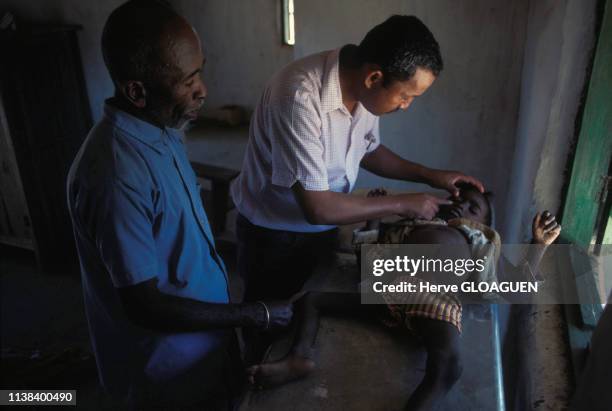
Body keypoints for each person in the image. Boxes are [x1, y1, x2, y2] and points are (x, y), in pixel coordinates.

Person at [66, 1, 293, 408]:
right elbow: (145, 305)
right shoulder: (116, 173)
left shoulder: (161, 130)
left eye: (200, 72)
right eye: (188, 81)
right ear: (137, 91)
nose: (203, 90)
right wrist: (251, 313)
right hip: (166, 374)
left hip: (207, 348)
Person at [231, 14, 485, 361]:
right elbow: (318, 206)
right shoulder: (299, 95)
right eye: (406, 96)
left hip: (319, 228)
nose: (406, 105)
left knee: (305, 318)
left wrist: (429, 175)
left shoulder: (363, 91)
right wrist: (401, 204)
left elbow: (369, 150)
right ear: (374, 77)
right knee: (268, 329)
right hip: (274, 235)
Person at [246, 184, 562, 411]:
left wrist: (539, 246)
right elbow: (368, 262)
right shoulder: (411, 226)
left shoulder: (476, 240)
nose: (461, 206)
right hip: (392, 291)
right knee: (310, 298)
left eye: (472, 207)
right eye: (458, 199)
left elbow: (515, 286)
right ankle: (299, 358)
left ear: (482, 225)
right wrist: (375, 218)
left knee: (448, 366)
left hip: (435, 298)